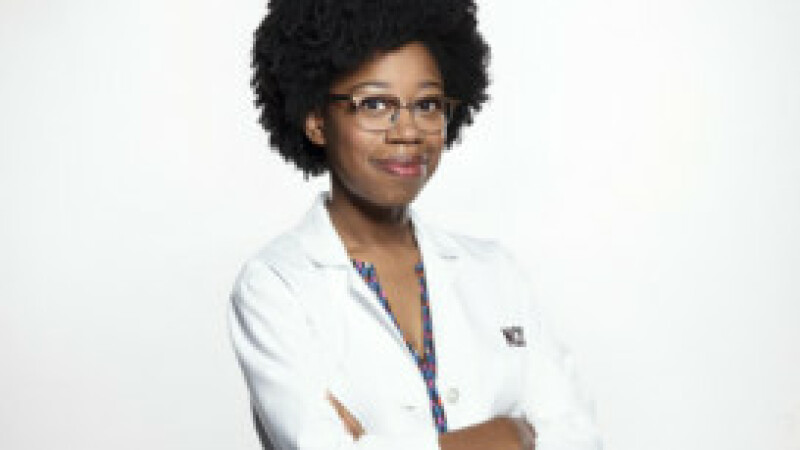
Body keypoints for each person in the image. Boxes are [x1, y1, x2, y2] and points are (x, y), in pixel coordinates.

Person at [228, 0, 602, 449]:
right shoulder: (276, 284)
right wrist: (510, 435)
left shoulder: (495, 272)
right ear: (316, 121)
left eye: (427, 105)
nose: (407, 131)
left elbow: (579, 437)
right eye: (374, 104)